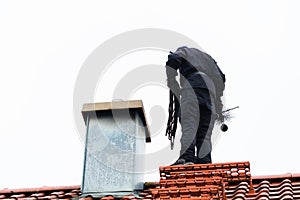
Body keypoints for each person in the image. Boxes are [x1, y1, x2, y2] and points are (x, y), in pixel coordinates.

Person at [165, 46, 226, 165]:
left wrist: (171, 80)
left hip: (191, 90)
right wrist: (218, 104)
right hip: (210, 96)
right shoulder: (209, 59)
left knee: (190, 125)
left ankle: (187, 159)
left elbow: (174, 58)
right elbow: (221, 79)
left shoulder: (184, 51)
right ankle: (204, 162)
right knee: (205, 132)